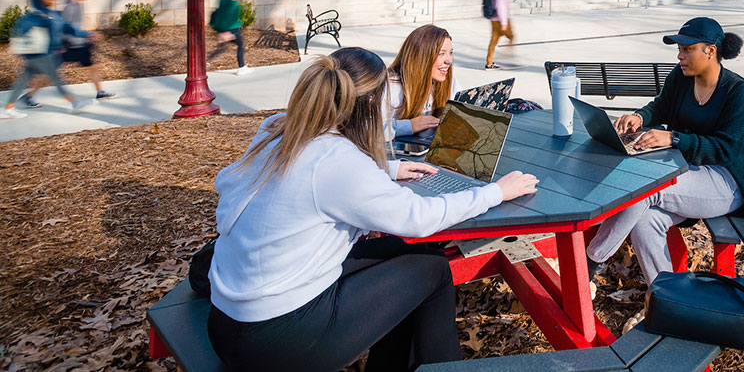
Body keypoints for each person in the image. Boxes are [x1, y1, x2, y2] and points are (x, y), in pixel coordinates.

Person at [192, 47, 538, 372]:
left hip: (229, 321)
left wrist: (389, 168)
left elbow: (310, 177)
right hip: (274, 341)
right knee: (431, 271)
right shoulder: (339, 162)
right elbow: (418, 219)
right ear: (371, 104)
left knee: (396, 251)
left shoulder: (278, 129)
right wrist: (495, 192)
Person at [585, 17, 744, 284]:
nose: (680, 55)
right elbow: (661, 107)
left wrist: (674, 139)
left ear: (710, 50)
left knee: (647, 188)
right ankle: (667, 297)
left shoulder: (738, 90)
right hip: (683, 169)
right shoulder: (681, 76)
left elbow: (727, 148)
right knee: (646, 223)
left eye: (687, 49)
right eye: (679, 49)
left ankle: (592, 261)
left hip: (725, 181)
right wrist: (640, 118)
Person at [1, 0, 92, 117]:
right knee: (57, 79)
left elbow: (69, 28)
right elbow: (21, 34)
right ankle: (75, 103)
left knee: (23, 81)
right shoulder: (35, 16)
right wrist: (25, 51)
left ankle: (7, 109)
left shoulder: (53, 14)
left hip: (45, 55)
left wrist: (87, 34)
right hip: (40, 55)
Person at [386, 25, 456, 142]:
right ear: (421, 56)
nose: (449, 60)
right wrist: (408, 126)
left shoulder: (448, 80)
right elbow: (366, 130)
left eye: (450, 53)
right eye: (441, 53)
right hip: (393, 155)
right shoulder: (392, 87)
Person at [60, 0, 113, 100]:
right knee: (50, 73)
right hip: (69, 46)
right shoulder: (69, 7)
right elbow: (64, 28)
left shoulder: (78, 5)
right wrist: (87, 34)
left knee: (93, 67)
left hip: (80, 45)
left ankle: (100, 92)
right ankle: (29, 96)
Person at [208, 0, 250, 75]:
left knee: (222, 47)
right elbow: (230, 15)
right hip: (231, 29)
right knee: (240, 45)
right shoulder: (232, 1)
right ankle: (241, 67)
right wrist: (227, 31)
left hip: (226, 28)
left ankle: (204, 61)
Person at [484, 0, 514, 70]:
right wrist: (504, 22)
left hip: (494, 19)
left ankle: (489, 63)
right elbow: (500, 6)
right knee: (511, 37)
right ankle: (506, 57)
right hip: (500, 19)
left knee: (493, 41)